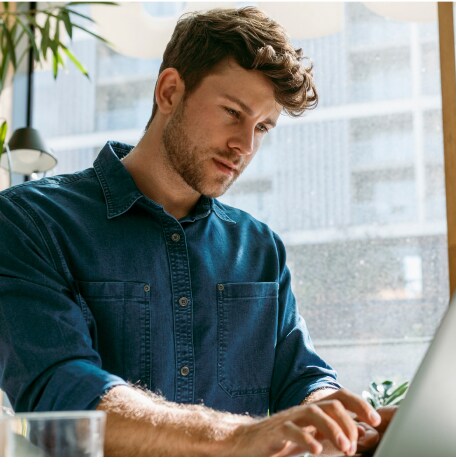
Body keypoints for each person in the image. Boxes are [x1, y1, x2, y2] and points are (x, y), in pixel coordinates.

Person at [0, 7, 389, 456]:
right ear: (169, 91)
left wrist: (343, 421)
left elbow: (300, 377)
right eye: (232, 112)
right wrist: (241, 435)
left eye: (262, 127)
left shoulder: (260, 249)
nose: (244, 145)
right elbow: (63, 391)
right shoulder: (28, 223)